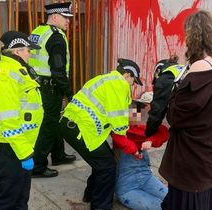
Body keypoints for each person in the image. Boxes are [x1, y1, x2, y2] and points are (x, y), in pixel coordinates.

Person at [159, 10, 212, 210]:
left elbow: (175, 116)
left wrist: (174, 88)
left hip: (191, 159)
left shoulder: (201, 67)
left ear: (194, 36)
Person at [58, 58, 143, 210]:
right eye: (133, 81)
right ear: (127, 75)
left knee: (101, 160)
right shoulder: (119, 85)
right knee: (108, 165)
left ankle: (90, 194)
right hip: (81, 129)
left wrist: (136, 113)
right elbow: (119, 128)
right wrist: (132, 147)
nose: (133, 85)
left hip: (72, 124)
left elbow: (121, 110)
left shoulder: (105, 79)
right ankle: (100, 206)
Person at [0, 31, 43, 210]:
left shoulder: (16, 70)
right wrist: (24, 153)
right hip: (6, 147)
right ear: (17, 51)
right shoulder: (5, 75)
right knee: (6, 197)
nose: (30, 53)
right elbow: (8, 120)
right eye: (28, 50)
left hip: (17, 145)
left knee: (20, 197)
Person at [28, 1, 76, 178]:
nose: (68, 22)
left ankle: (59, 155)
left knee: (53, 121)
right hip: (50, 88)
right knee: (48, 126)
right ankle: (38, 166)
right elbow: (58, 70)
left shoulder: (37, 31)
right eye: (66, 18)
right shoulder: (56, 37)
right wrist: (69, 92)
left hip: (38, 85)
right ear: (55, 17)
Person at [114, 101, 169, 210]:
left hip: (145, 178)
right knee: (160, 207)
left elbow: (163, 131)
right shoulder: (119, 127)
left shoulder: (142, 123)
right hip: (127, 188)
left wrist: (150, 141)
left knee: (175, 199)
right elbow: (118, 137)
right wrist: (134, 150)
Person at [145, 55, 187, 137]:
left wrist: (149, 132)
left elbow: (158, 109)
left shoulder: (165, 77)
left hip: (185, 123)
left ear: (158, 72)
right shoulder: (181, 69)